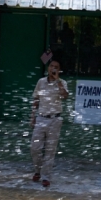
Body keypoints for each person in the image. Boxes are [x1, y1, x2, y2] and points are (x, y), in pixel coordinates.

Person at [30, 59, 69, 188]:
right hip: (41, 118)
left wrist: (57, 80)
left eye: (56, 67)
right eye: (51, 66)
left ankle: (45, 176)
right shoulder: (41, 82)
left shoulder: (62, 83)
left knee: (50, 150)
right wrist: (32, 117)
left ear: (59, 70)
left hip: (55, 119)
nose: (53, 68)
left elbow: (65, 96)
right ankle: (38, 170)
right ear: (48, 68)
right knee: (35, 148)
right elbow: (36, 99)